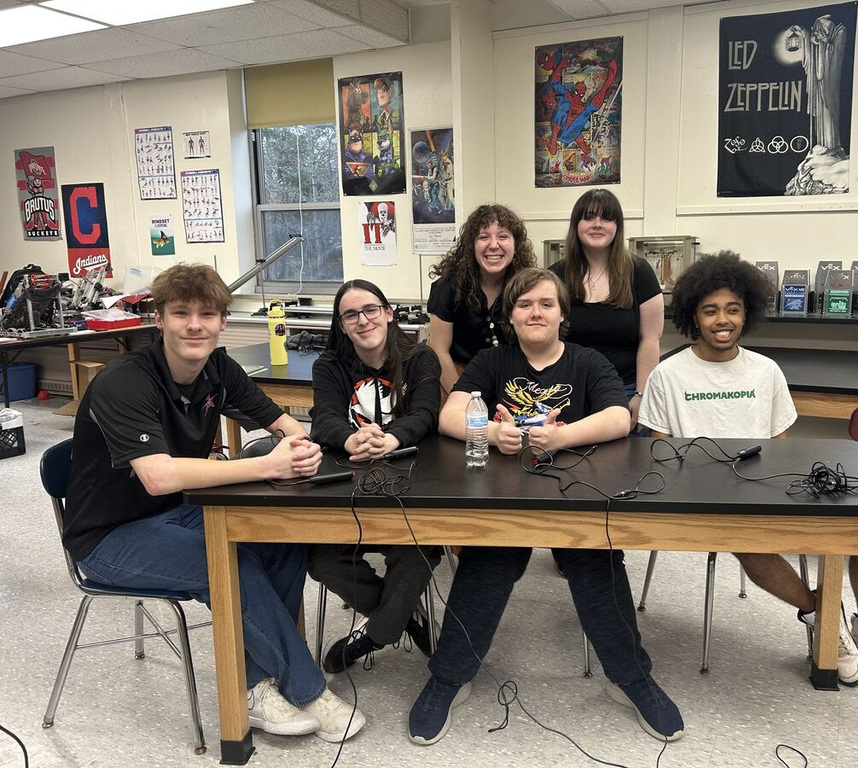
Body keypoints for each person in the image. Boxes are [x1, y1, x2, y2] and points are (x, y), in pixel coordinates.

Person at [61, 264, 366, 743]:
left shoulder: (218, 369)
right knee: (229, 563)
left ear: (223, 321)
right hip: (108, 537)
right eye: (181, 313)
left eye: (207, 313)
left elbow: (282, 422)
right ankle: (308, 691)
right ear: (158, 319)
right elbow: (159, 476)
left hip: (173, 515)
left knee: (281, 542)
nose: (194, 325)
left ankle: (254, 686)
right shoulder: (125, 379)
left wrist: (299, 447)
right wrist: (268, 466)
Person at [408, 267, 684, 746]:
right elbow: (451, 413)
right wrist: (492, 432)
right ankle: (449, 677)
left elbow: (620, 416)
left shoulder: (587, 361)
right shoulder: (493, 363)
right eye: (524, 305)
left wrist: (561, 437)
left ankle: (631, 678)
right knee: (485, 566)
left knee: (597, 565)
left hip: (572, 502)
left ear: (562, 314)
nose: (535, 312)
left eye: (546, 304)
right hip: (504, 504)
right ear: (510, 317)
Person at [638, 251, 858, 691]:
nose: (722, 320)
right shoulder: (669, 375)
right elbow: (659, 451)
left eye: (733, 309)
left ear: (746, 312)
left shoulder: (765, 371)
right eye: (710, 310)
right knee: (751, 544)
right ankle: (824, 618)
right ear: (694, 314)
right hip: (702, 499)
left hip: (765, 488)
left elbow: (781, 446)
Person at [307, 279, 443, 672]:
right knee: (322, 560)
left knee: (416, 551)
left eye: (370, 309)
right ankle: (405, 618)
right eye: (351, 315)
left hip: (414, 483)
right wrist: (351, 440)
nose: (362, 320)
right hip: (350, 486)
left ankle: (376, 633)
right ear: (342, 324)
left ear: (387, 313)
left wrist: (392, 438)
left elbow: (426, 413)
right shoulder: (329, 366)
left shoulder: (421, 358)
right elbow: (325, 418)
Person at [550, 189, 663, 433]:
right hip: (568, 390)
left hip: (626, 389)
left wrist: (641, 395)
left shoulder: (639, 272)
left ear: (617, 226)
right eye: (588, 217)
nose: (597, 224)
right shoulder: (555, 276)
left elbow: (650, 339)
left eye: (607, 218)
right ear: (576, 225)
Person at [427, 204, 536, 394]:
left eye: (503, 236)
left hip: (515, 380)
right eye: (484, 237)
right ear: (471, 246)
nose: (493, 245)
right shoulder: (447, 287)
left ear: (516, 245)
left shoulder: (529, 287)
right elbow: (438, 350)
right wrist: (464, 399)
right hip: (455, 377)